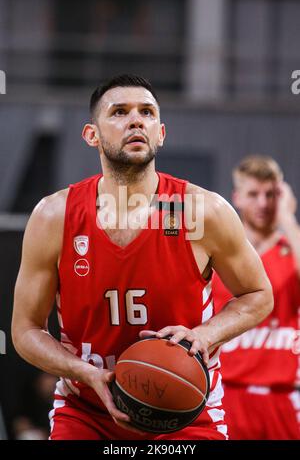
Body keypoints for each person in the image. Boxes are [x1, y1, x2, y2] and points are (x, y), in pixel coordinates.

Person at [11, 75, 273, 440]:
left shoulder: (204, 211)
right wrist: (82, 371)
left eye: (147, 112)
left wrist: (205, 334)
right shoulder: (53, 216)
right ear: (92, 135)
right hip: (87, 411)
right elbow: (25, 329)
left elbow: (259, 294)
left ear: (161, 133)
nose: (136, 120)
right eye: (119, 112)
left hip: (186, 413)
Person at [212, 155, 300, 440]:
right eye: (253, 194)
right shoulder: (218, 254)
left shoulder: (292, 250)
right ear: (236, 197)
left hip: (282, 397)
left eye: (271, 194)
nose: (263, 203)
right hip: (225, 394)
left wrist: (288, 218)